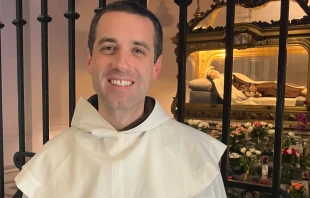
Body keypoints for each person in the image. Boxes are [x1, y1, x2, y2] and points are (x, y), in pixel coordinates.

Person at [14, 1, 227, 198]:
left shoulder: (196, 159)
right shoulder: (49, 163)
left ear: (156, 67)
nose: (121, 64)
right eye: (109, 48)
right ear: (90, 60)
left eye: (138, 50)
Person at [205, 66, 307, 98]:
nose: (212, 74)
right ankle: (300, 92)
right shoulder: (219, 81)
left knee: (273, 88)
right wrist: (251, 92)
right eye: (210, 74)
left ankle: (298, 91)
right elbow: (233, 92)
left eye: (212, 71)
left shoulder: (223, 75)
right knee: (272, 86)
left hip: (252, 85)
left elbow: (242, 79)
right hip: (249, 89)